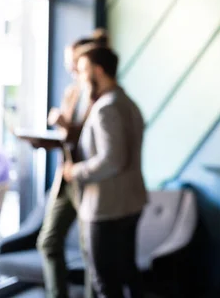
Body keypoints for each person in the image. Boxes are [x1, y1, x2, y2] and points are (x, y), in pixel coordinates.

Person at [62, 46, 147, 298]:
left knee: (105, 281)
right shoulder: (128, 102)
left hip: (107, 206)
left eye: (84, 69)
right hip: (131, 202)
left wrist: (75, 171)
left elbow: (112, 160)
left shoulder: (105, 108)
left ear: (98, 70)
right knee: (127, 274)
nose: (79, 74)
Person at [37, 29, 109, 298]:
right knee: (48, 241)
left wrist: (67, 124)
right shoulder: (72, 92)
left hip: (89, 181)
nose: (70, 69)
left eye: (74, 63)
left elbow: (94, 141)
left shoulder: (101, 94)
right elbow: (68, 138)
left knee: (90, 250)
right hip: (66, 179)